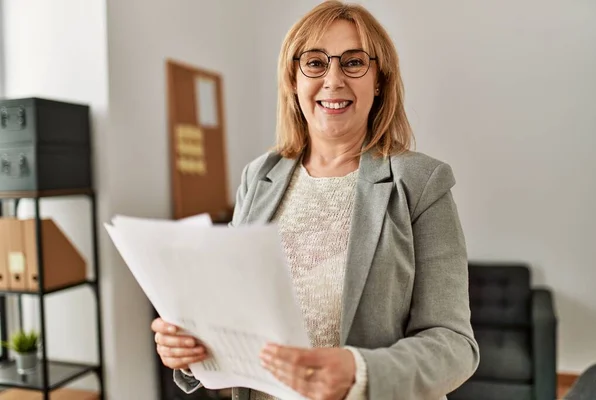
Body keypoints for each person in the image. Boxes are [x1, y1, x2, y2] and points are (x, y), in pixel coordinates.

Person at [151, 1, 480, 399]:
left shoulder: (421, 182)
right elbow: (230, 315)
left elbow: (454, 344)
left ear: (379, 80)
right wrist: (190, 350)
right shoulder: (258, 177)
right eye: (315, 62)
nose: (333, 79)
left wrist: (360, 372)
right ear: (293, 79)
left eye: (354, 62)